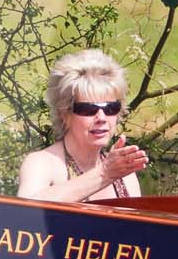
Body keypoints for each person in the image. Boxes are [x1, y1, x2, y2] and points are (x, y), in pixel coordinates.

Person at [17, 49, 149, 203]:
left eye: (110, 108)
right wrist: (105, 173)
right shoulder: (41, 164)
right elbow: (26, 212)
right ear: (64, 114)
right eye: (88, 109)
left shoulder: (125, 176)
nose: (101, 117)